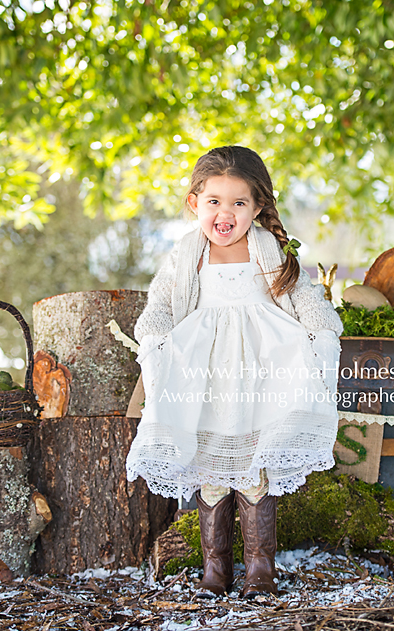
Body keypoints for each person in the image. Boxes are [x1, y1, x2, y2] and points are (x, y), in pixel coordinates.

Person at [127, 146, 342, 598]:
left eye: (238, 203)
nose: (225, 214)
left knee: (252, 466)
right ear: (194, 203)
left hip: (262, 372)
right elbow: (160, 307)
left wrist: (321, 333)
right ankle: (215, 568)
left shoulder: (268, 249)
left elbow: (306, 298)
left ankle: (260, 566)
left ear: (258, 207)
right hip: (205, 375)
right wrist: (155, 340)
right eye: (214, 202)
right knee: (212, 469)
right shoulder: (187, 255)